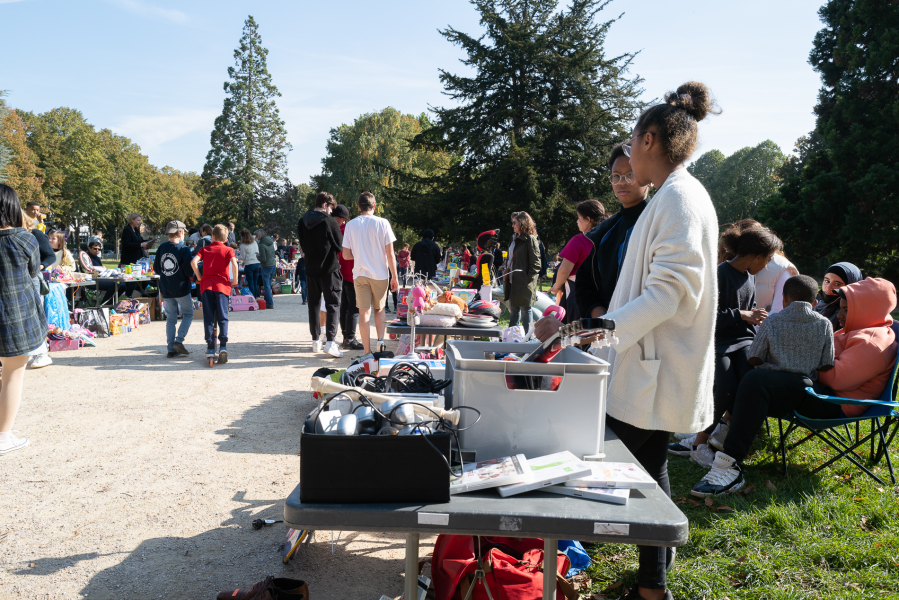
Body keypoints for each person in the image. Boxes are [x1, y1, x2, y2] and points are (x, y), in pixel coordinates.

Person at [583, 82, 721, 600]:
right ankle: (652, 586)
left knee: (596, 462)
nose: (626, 158)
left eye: (631, 140)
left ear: (649, 139)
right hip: (652, 367)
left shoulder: (680, 197)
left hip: (654, 370)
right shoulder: (674, 195)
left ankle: (563, 557)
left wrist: (606, 330)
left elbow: (669, 294)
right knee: (654, 468)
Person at [691, 276, 896, 497]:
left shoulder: (872, 342)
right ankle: (721, 437)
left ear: (867, 309)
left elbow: (837, 379)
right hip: (817, 390)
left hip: (835, 403)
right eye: (842, 309)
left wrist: (799, 358)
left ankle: (728, 465)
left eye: (847, 309)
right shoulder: (858, 329)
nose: (841, 315)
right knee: (750, 373)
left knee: (758, 379)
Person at [671, 224, 782, 467]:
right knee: (724, 389)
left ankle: (717, 435)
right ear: (754, 255)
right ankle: (699, 443)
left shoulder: (750, 277)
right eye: (768, 258)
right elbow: (706, 317)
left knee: (750, 383)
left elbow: (746, 313)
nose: (769, 264)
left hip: (743, 341)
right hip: (718, 342)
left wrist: (753, 317)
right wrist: (742, 314)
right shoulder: (719, 273)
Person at [0, 184, 49, 454]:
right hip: (15, 316)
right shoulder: (24, 239)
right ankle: (4, 436)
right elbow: (33, 271)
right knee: (12, 376)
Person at [342, 192, 398, 354]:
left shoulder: (351, 225)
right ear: (374, 206)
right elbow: (390, 254)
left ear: (359, 207)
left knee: (363, 312)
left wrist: (360, 255)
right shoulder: (383, 223)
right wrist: (395, 276)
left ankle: (367, 351)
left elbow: (346, 255)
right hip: (380, 274)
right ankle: (380, 342)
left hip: (360, 274)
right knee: (379, 310)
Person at [297, 192, 343, 356]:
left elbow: (302, 244)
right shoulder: (329, 221)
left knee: (314, 305)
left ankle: (315, 340)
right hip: (329, 269)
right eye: (331, 208)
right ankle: (330, 341)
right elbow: (339, 245)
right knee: (333, 305)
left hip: (310, 268)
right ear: (325, 205)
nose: (331, 212)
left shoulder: (303, 221)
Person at [549, 199, 607, 324]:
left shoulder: (579, 240)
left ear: (588, 219)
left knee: (575, 333)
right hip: (604, 293)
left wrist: (557, 285)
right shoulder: (608, 237)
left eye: (579, 218)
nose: (577, 221)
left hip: (578, 294)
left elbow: (564, 270)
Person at [191, 225, 237, 364]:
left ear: (212, 236)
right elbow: (234, 265)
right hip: (222, 287)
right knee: (223, 317)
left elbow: (193, 262)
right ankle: (223, 345)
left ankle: (211, 346)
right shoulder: (229, 250)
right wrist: (234, 281)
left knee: (209, 317)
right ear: (226, 238)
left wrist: (199, 276)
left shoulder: (204, 249)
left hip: (207, 286)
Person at [154, 221, 195, 358]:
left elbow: (157, 269)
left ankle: (171, 348)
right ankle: (179, 340)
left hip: (166, 288)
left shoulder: (161, 248)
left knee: (171, 318)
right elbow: (189, 272)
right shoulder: (184, 249)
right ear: (180, 233)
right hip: (181, 288)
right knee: (188, 313)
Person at [503, 212, 541, 334]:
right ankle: (512, 336)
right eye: (512, 222)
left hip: (524, 282)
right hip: (513, 280)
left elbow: (536, 264)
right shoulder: (514, 238)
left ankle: (527, 338)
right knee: (513, 310)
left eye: (514, 223)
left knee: (526, 310)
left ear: (522, 223)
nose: (512, 225)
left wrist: (526, 279)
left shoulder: (530, 239)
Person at [332, 205, 363, 351]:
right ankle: (350, 337)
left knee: (344, 306)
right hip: (351, 272)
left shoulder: (335, 230)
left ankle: (346, 336)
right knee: (354, 307)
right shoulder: (352, 232)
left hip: (339, 273)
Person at [813, 262, 862, 331]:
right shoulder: (816, 298)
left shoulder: (845, 313)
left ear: (851, 285)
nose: (828, 287)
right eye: (827, 281)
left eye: (837, 284)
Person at [79, 237, 125, 305]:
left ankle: (109, 303)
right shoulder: (85, 257)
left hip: (100, 279)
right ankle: (104, 305)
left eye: (99, 249)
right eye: (95, 248)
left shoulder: (97, 258)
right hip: (90, 281)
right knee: (113, 285)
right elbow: (87, 270)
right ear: (89, 248)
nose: (97, 250)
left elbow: (101, 272)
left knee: (122, 286)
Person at [256, 229, 277, 311]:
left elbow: (263, 259)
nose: (256, 237)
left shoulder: (261, 245)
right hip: (273, 265)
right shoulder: (271, 243)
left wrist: (258, 256)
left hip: (266, 266)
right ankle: (266, 302)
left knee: (266, 286)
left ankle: (270, 304)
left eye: (257, 236)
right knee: (268, 284)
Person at [238, 229, 260, 298]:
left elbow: (242, 257)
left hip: (249, 264)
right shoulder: (255, 242)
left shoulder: (243, 245)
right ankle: (256, 296)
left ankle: (252, 298)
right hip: (257, 263)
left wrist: (236, 256)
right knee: (255, 282)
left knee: (250, 282)